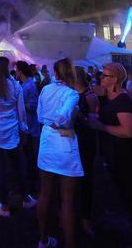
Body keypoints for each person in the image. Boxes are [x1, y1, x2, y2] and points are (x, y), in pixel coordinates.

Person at [88, 62, 132, 247]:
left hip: (129, 158)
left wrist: (101, 126)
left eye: (104, 75)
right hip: (117, 155)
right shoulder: (110, 96)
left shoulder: (123, 100)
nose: (100, 77)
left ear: (115, 79)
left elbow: (128, 131)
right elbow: (97, 93)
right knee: (127, 197)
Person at [36, 58, 82, 248]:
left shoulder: (46, 89)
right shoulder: (72, 94)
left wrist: (51, 123)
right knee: (67, 199)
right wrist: (59, 123)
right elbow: (63, 116)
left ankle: (43, 239)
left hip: (47, 140)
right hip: (63, 141)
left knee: (45, 193)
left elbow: (39, 116)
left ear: (56, 73)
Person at [0, 57, 35, 218]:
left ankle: (4, 205)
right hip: (13, 132)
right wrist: (23, 130)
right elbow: (21, 112)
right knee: (18, 165)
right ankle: (26, 198)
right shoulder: (16, 86)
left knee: (0, 169)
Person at [73, 66, 99, 238]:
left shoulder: (90, 96)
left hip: (85, 141)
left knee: (86, 179)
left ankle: (86, 219)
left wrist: (79, 115)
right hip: (71, 142)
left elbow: (93, 123)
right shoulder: (70, 95)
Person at [15, 61, 40, 191]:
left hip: (29, 126)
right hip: (25, 125)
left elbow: (33, 106)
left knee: (29, 154)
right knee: (27, 154)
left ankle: (31, 182)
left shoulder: (30, 86)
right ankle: (30, 179)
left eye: (16, 70)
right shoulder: (24, 85)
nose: (16, 73)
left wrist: (17, 104)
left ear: (20, 71)